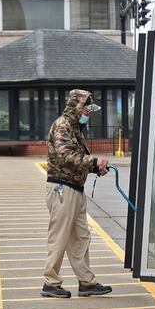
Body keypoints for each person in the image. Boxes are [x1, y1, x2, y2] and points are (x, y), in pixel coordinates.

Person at [42, 89, 113, 298]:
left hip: (75, 188)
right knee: (60, 236)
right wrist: (92, 162)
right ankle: (50, 283)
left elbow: (76, 159)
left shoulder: (75, 128)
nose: (89, 114)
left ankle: (87, 283)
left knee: (81, 237)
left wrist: (94, 168)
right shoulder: (62, 126)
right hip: (62, 188)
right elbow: (65, 156)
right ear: (76, 107)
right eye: (86, 109)